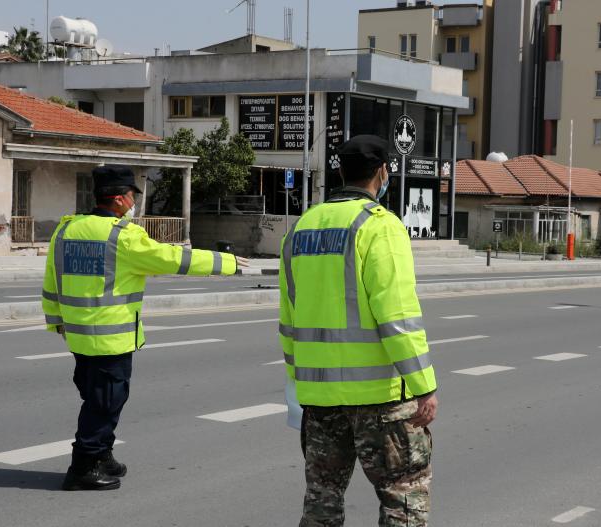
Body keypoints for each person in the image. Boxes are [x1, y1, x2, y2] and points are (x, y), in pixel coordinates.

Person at [42, 165, 248, 491]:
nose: (133, 203)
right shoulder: (122, 237)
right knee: (105, 402)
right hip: (111, 339)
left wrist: (56, 322)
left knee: (99, 399)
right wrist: (227, 263)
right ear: (122, 199)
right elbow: (172, 259)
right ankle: (83, 466)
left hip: (79, 337)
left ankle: (102, 456)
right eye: (132, 196)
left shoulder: (66, 230)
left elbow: (52, 281)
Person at [279, 135, 439, 526]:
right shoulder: (380, 227)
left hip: (319, 398)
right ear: (383, 173)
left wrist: (300, 383)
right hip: (379, 399)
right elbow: (397, 317)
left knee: (322, 498)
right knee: (403, 496)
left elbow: (288, 321)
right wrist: (424, 386)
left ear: (339, 172)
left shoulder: (301, 228)